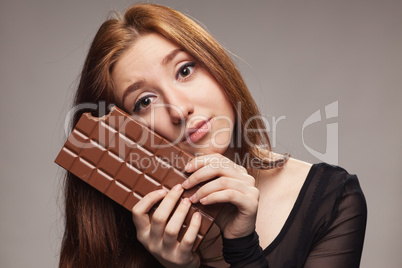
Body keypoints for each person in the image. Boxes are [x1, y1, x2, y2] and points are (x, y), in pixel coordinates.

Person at [58, 3, 367, 268]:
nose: (178, 109)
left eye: (184, 71)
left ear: (216, 64)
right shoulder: (118, 225)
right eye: (145, 102)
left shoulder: (333, 199)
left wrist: (241, 244)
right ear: (120, 131)